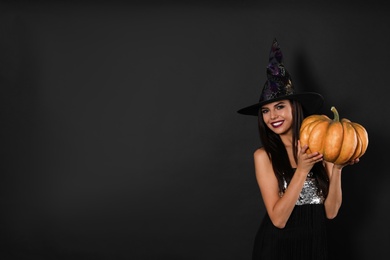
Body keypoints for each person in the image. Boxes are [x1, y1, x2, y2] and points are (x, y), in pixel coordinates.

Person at [237, 39, 359, 260]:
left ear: (295, 108)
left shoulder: (322, 145)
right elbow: (278, 219)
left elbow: (330, 213)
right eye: (265, 111)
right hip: (276, 248)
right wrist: (302, 170)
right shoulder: (264, 156)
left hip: (315, 244)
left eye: (280, 107)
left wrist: (338, 168)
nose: (272, 116)